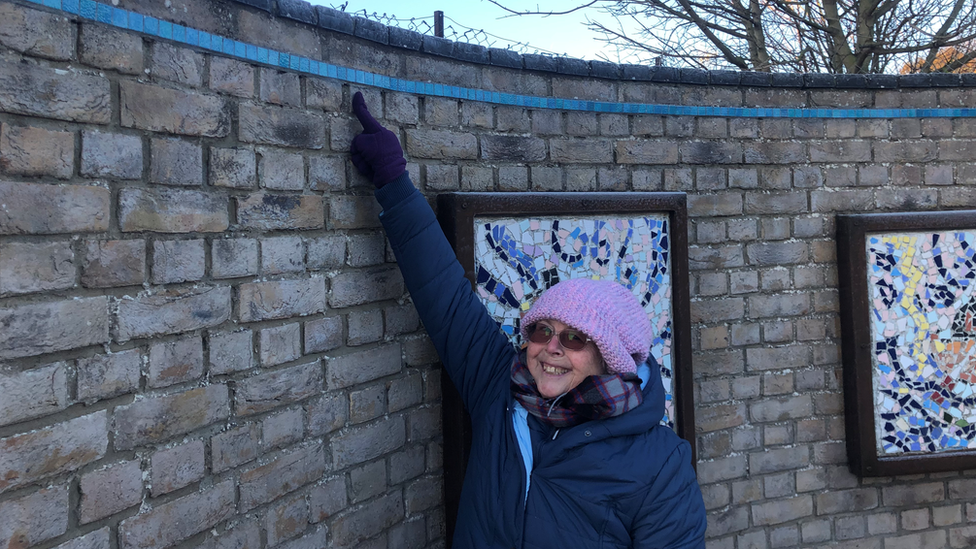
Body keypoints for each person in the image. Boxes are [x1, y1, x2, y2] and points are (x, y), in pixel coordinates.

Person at [350, 91, 707, 548]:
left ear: (610, 357)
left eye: (575, 338)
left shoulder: (661, 466)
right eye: (542, 330)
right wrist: (394, 183)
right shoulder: (501, 391)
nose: (551, 348)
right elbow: (444, 295)